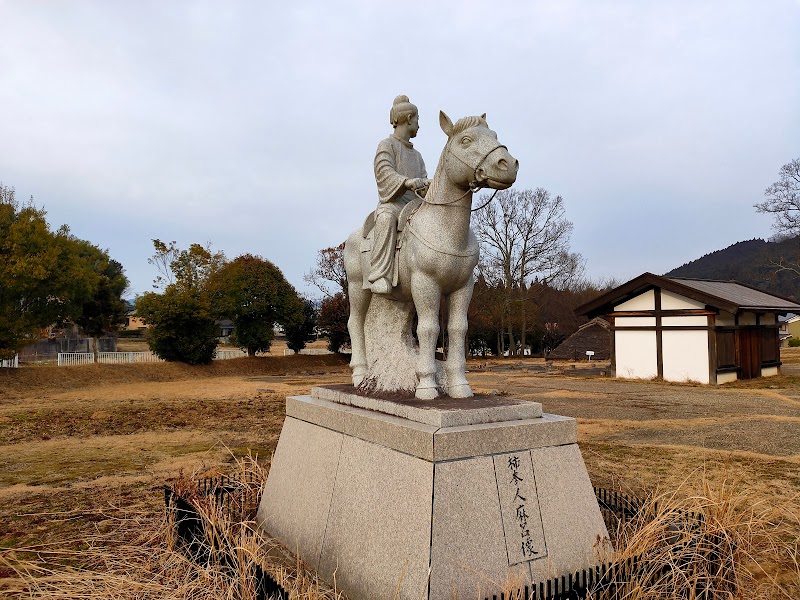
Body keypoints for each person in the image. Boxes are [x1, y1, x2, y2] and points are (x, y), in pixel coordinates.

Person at [368, 95, 430, 294]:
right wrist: (406, 182)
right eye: (418, 119)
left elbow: (423, 179)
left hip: (415, 208)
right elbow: (384, 172)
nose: (419, 125)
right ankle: (379, 274)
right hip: (394, 203)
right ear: (409, 118)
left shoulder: (417, 155)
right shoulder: (386, 145)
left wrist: (430, 185)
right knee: (386, 218)